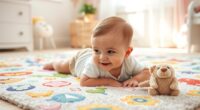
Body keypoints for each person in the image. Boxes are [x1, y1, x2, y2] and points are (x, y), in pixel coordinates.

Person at [43, 16, 150, 87]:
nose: (102, 57)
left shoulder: (129, 62)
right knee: (62, 66)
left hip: (89, 55)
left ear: (127, 53)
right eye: (97, 50)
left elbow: (146, 72)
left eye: (110, 52)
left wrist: (135, 79)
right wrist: (108, 81)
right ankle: (54, 63)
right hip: (80, 60)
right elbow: (84, 82)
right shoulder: (93, 64)